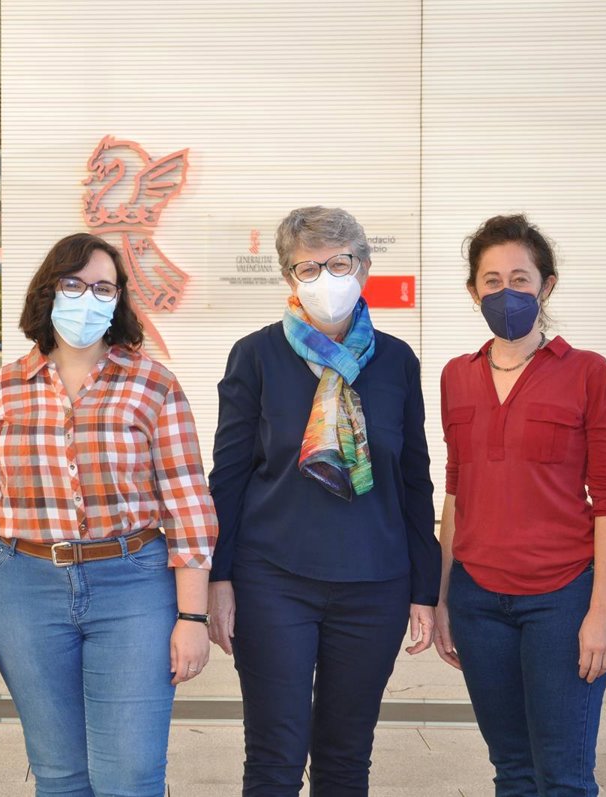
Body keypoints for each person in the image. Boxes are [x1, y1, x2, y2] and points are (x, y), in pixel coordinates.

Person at [0, 232, 218, 796]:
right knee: (60, 774)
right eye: (73, 284)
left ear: (118, 300)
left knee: (130, 775)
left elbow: (189, 506)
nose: (87, 298)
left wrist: (192, 618)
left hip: (133, 586)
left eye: (103, 288)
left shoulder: (153, 384)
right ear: (48, 292)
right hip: (24, 590)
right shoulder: (1, 390)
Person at [208, 206, 440, 795]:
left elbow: (414, 479)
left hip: (375, 586)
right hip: (273, 582)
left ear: (364, 267)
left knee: (345, 759)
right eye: (308, 268)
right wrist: (218, 578)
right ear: (289, 277)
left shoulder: (396, 361)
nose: (325, 279)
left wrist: (425, 588)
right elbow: (228, 478)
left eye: (338, 263)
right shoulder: (256, 356)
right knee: (275, 757)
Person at [434, 214, 606, 796]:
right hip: (477, 602)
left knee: (564, 776)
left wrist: (603, 610)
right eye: (492, 281)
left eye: (520, 279)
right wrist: (442, 597)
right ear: (474, 292)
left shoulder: (588, 373)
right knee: (512, 771)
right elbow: (455, 489)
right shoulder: (456, 376)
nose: (506, 292)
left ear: (547, 286)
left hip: (561, 600)